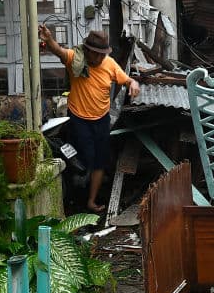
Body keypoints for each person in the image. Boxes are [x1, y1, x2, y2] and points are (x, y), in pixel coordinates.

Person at [38, 25, 140, 212]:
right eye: (97, 54)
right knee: (81, 160)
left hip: (101, 120)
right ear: (87, 51)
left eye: (103, 54)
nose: (100, 58)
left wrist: (134, 83)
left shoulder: (109, 64)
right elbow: (58, 50)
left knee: (99, 161)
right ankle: (73, 200)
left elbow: (127, 80)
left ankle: (91, 201)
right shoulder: (75, 60)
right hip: (78, 119)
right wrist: (49, 39)